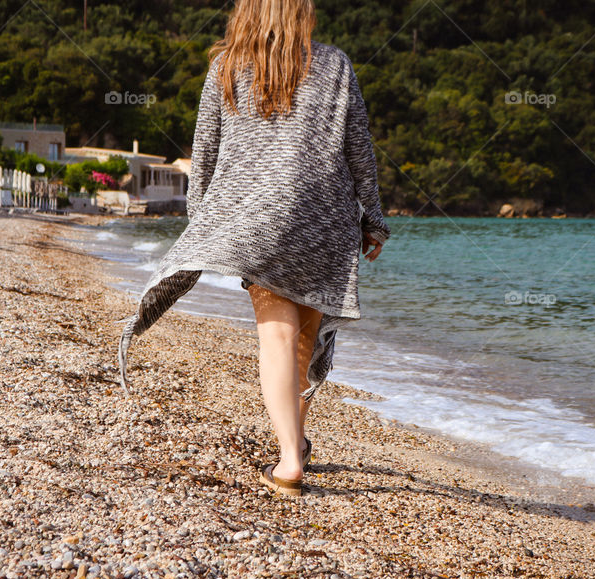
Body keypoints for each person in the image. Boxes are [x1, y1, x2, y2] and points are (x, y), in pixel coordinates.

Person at [117, 0, 390, 497]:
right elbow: (359, 149)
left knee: (278, 337)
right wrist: (373, 217)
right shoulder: (336, 63)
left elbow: (206, 151)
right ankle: (295, 444)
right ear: (302, 12)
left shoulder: (227, 67)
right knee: (303, 337)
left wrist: (204, 222)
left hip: (257, 219)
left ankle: (290, 458)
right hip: (325, 217)